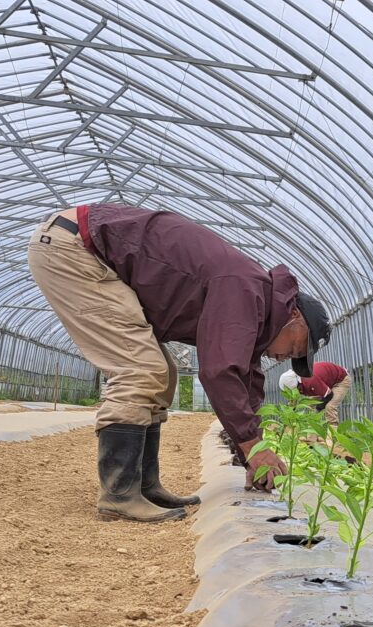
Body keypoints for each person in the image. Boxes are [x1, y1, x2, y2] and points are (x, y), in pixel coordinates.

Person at [27, 203, 331, 523]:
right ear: (293, 315)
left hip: (91, 250)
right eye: (297, 347)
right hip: (76, 247)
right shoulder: (244, 288)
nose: (286, 358)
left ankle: (144, 485)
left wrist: (251, 456)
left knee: (164, 372)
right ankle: (119, 495)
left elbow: (247, 382)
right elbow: (220, 371)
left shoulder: (258, 304)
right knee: (140, 370)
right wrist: (254, 445)